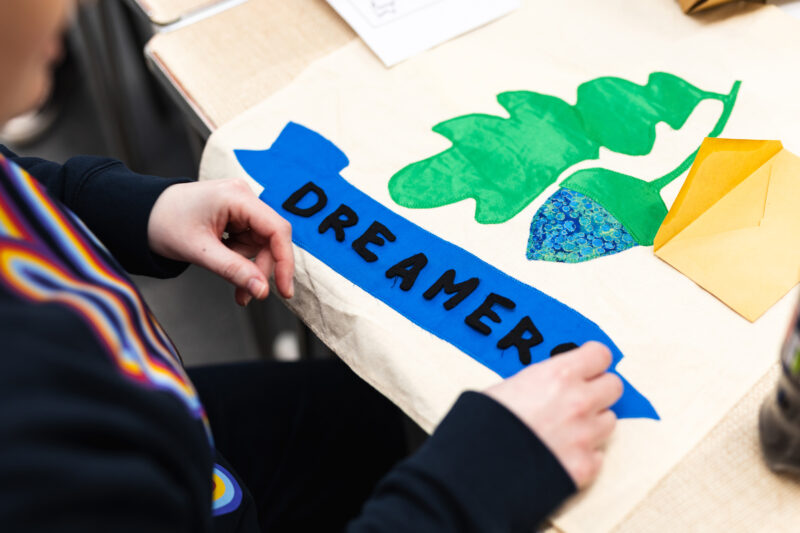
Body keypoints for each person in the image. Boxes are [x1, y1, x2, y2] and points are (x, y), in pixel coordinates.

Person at [0, 2, 623, 532]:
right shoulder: (37, 457)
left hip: (180, 429)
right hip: (165, 472)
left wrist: (134, 208)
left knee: (388, 408)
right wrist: (471, 488)